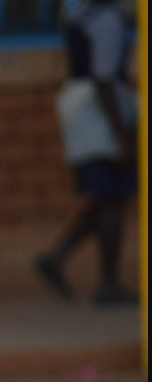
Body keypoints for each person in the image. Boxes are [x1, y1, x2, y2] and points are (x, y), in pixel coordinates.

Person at [36, 0, 139, 306]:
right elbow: (104, 78)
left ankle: (57, 257)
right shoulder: (105, 20)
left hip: (79, 106)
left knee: (105, 195)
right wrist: (123, 135)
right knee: (112, 197)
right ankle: (108, 283)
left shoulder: (75, 12)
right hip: (100, 111)